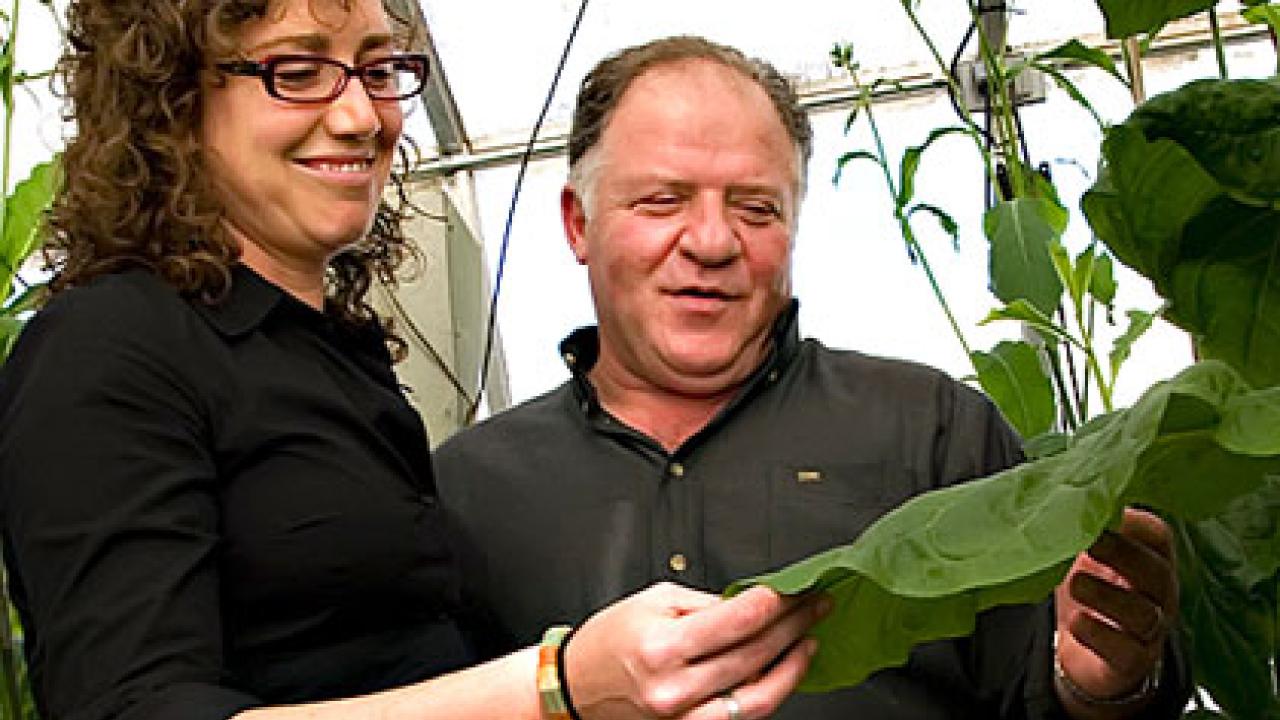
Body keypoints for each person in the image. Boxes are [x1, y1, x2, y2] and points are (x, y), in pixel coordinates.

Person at [0, 7, 825, 720]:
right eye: (297, 70)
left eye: (378, 68)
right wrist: (557, 686)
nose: (362, 115)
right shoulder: (110, 347)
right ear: (171, 95)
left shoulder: (332, 358)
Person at [434, 36, 1192, 720]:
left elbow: (1055, 681)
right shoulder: (469, 488)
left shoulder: (927, 426)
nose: (711, 241)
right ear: (578, 223)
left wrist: (1101, 679)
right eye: (663, 201)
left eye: (755, 207)